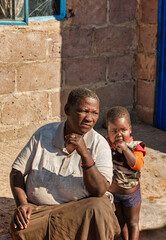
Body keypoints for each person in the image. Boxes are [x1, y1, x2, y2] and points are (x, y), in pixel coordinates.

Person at [9, 88, 120, 240]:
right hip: (40, 212)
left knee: (99, 209)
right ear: (67, 109)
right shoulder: (43, 134)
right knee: (19, 229)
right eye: (84, 111)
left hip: (79, 212)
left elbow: (99, 190)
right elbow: (17, 172)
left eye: (95, 113)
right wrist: (22, 204)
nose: (90, 118)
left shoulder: (99, 144)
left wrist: (84, 154)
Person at [106, 106, 146, 240]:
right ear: (108, 132)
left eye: (123, 130)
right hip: (114, 193)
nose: (119, 134)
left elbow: (137, 164)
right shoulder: (106, 145)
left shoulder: (136, 146)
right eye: (114, 131)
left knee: (133, 223)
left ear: (130, 129)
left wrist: (124, 147)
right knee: (121, 222)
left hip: (131, 194)